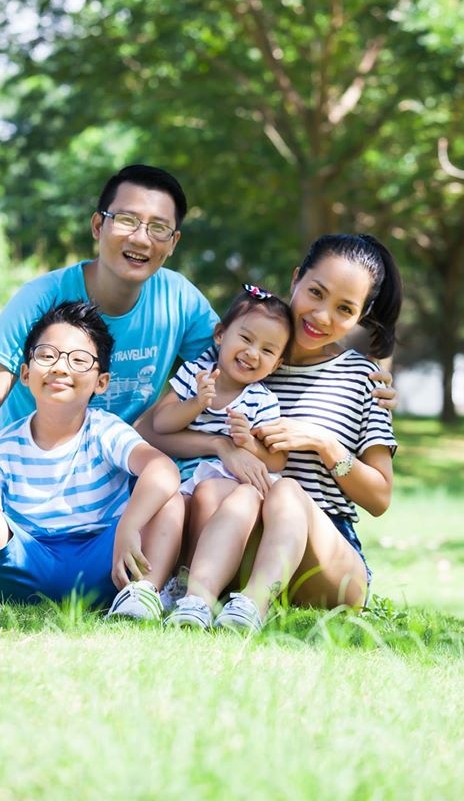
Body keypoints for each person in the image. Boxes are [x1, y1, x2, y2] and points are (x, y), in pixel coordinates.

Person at [151, 234, 401, 632]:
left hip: (325, 557)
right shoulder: (246, 351)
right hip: (239, 534)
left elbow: (380, 497)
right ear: (296, 278)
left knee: (285, 491)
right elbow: (151, 431)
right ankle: (198, 598)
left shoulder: (363, 379)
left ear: (361, 315)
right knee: (216, 491)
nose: (322, 316)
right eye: (316, 292)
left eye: (344, 309)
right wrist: (221, 446)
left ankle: (253, 606)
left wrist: (324, 443)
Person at [0, 164, 219, 519]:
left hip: (121, 485)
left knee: (207, 497)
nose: (141, 238)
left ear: (173, 242)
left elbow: (234, 372)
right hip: (30, 485)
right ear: (98, 225)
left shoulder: (179, 299)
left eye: (158, 227)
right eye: (127, 220)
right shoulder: (40, 297)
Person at [0, 301, 182, 620]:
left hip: (106, 562)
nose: (60, 368)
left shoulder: (106, 431)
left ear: (101, 382)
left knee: (169, 500)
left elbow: (163, 469)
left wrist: (129, 525)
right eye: (47, 356)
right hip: (26, 566)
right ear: (25, 373)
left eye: (79, 360)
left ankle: (142, 594)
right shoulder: (3, 447)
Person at [151, 284, 292, 613]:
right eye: (246, 339)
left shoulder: (262, 401)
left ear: (276, 364)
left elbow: (277, 460)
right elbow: (161, 423)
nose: (253, 353)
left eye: (267, 350)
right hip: (182, 474)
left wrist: (249, 443)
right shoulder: (194, 375)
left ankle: (192, 582)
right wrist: (196, 404)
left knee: (210, 497)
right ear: (220, 335)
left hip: (225, 483)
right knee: (168, 506)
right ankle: (153, 584)